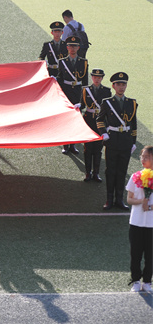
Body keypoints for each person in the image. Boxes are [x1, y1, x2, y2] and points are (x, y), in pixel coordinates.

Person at [98, 72, 137, 211]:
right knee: (110, 171)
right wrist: (103, 133)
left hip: (126, 141)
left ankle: (119, 199)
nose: (121, 87)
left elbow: (133, 124)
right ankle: (109, 199)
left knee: (122, 171)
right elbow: (99, 120)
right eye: (118, 84)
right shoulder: (107, 102)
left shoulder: (132, 103)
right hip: (112, 140)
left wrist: (133, 142)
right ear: (113, 86)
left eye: (123, 84)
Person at [126, 145, 153, 293]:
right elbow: (129, 199)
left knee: (150, 255)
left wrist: (149, 206)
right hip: (136, 222)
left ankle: (147, 282)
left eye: (146, 157)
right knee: (135, 254)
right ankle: (135, 280)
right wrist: (141, 201)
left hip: (151, 224)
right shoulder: (135, 176)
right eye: (142, 156)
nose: (143, 159)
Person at [57, 36, 88, 154]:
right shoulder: (62, 62)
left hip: (78, 93)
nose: (73, 48)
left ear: (78, 47)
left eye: (75, 46)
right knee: (65, 119)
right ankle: (65, 145)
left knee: (75, 120)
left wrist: (84, 97)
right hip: (66, 92)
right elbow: (60, 78)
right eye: (70, 46)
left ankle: (73, 145)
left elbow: (85, 82)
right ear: (67, 47)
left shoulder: (83, 62)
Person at [79, 69, 111, 182]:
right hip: (88, 121)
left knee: (98, 149)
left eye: (99, 77)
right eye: (95, 77)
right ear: (92, 77)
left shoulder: (107, 91)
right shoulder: (85, 89)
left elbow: (109, 109)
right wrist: (78, 105)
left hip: (100, 123)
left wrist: (108, 125)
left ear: (102, 78)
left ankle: (96, 173)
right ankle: (88, 172)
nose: (97, 79)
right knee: (87, 149)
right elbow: (82, 105)